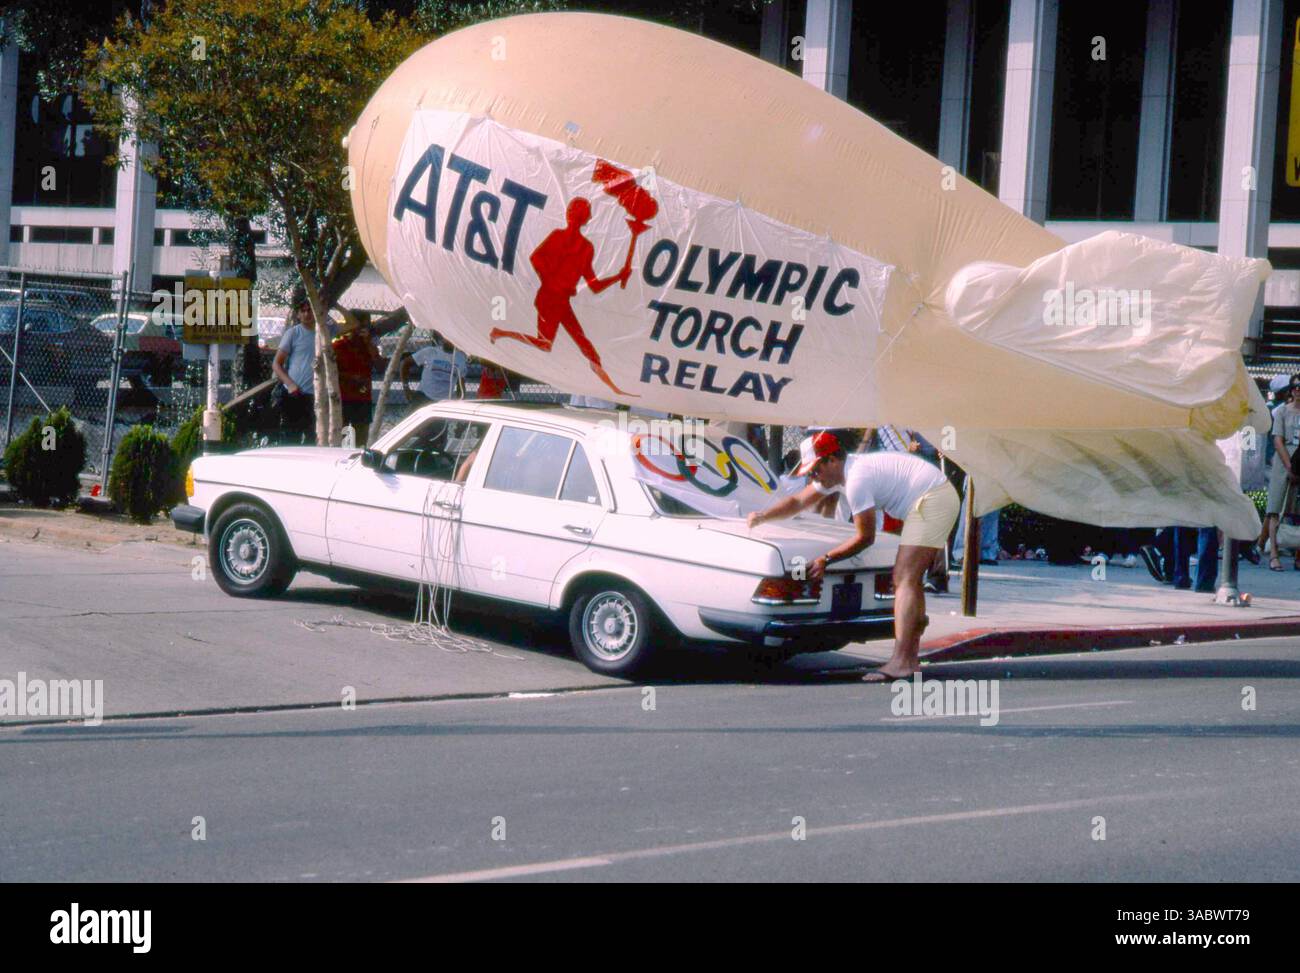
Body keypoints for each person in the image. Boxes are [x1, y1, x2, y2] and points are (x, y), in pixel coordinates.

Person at [746, 430, 960, 683]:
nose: (813, 477)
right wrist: (762, 516)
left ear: (833, 460)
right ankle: (909, 660)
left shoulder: (857, 479)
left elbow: (864, 538)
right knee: (909, 579)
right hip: (936, 496)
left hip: (933, 498)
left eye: (815, 470)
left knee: (904, 577)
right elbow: (797, 502)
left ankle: (902, 662)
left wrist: (825, 559)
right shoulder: (840, 475)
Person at [489, 197, 634, 396]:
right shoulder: (559, 237)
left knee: (583, 343)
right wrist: (552, 280)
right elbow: (536, 258)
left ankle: (612, 388)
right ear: (582, 217)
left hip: (561, 300)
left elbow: (595, 285)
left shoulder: (586, 247)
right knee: (545, 344)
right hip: (549, 298)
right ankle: (501, 332)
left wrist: (618, 276)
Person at [271, 296, 334, 445]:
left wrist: (330, 310)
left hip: (316, 396)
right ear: (298, 314)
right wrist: (290, 384)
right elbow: (276, 364)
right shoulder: (293, 333)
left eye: (310, 310)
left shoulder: (324, 332)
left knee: (312, 440)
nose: (307, 314)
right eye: (303, 311)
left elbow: (352, 323)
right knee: (290, 439)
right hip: (295, 394)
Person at [331, 311, 381, 447]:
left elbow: (380, 366)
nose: (362, 330)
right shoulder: (338, 346)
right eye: (360, 326)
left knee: (361, 439)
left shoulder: (369, 346)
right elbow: (329, 372)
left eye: (366, 326)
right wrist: (351, 377)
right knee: (341, 436)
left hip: (363, 398)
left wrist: (368, 343)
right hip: (343, 398)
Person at [1265, 381, 1300, 571]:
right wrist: (1289, 467)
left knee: (1297, 511)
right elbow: (1277, 440)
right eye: (1295, 387)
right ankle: (1273, 554)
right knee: (1275, 508)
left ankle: (1298, 555)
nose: (1297, 390)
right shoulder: (1281, 412)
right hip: (1283, 462)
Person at [401, 333, 468, 405]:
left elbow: (460, 385)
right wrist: (406, 388)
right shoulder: (430, 352)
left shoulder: (461, 358)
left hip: (444, 402)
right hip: (422, 397)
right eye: (446, 337)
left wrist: (460, 403)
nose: (448, 340)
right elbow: (405, 363)